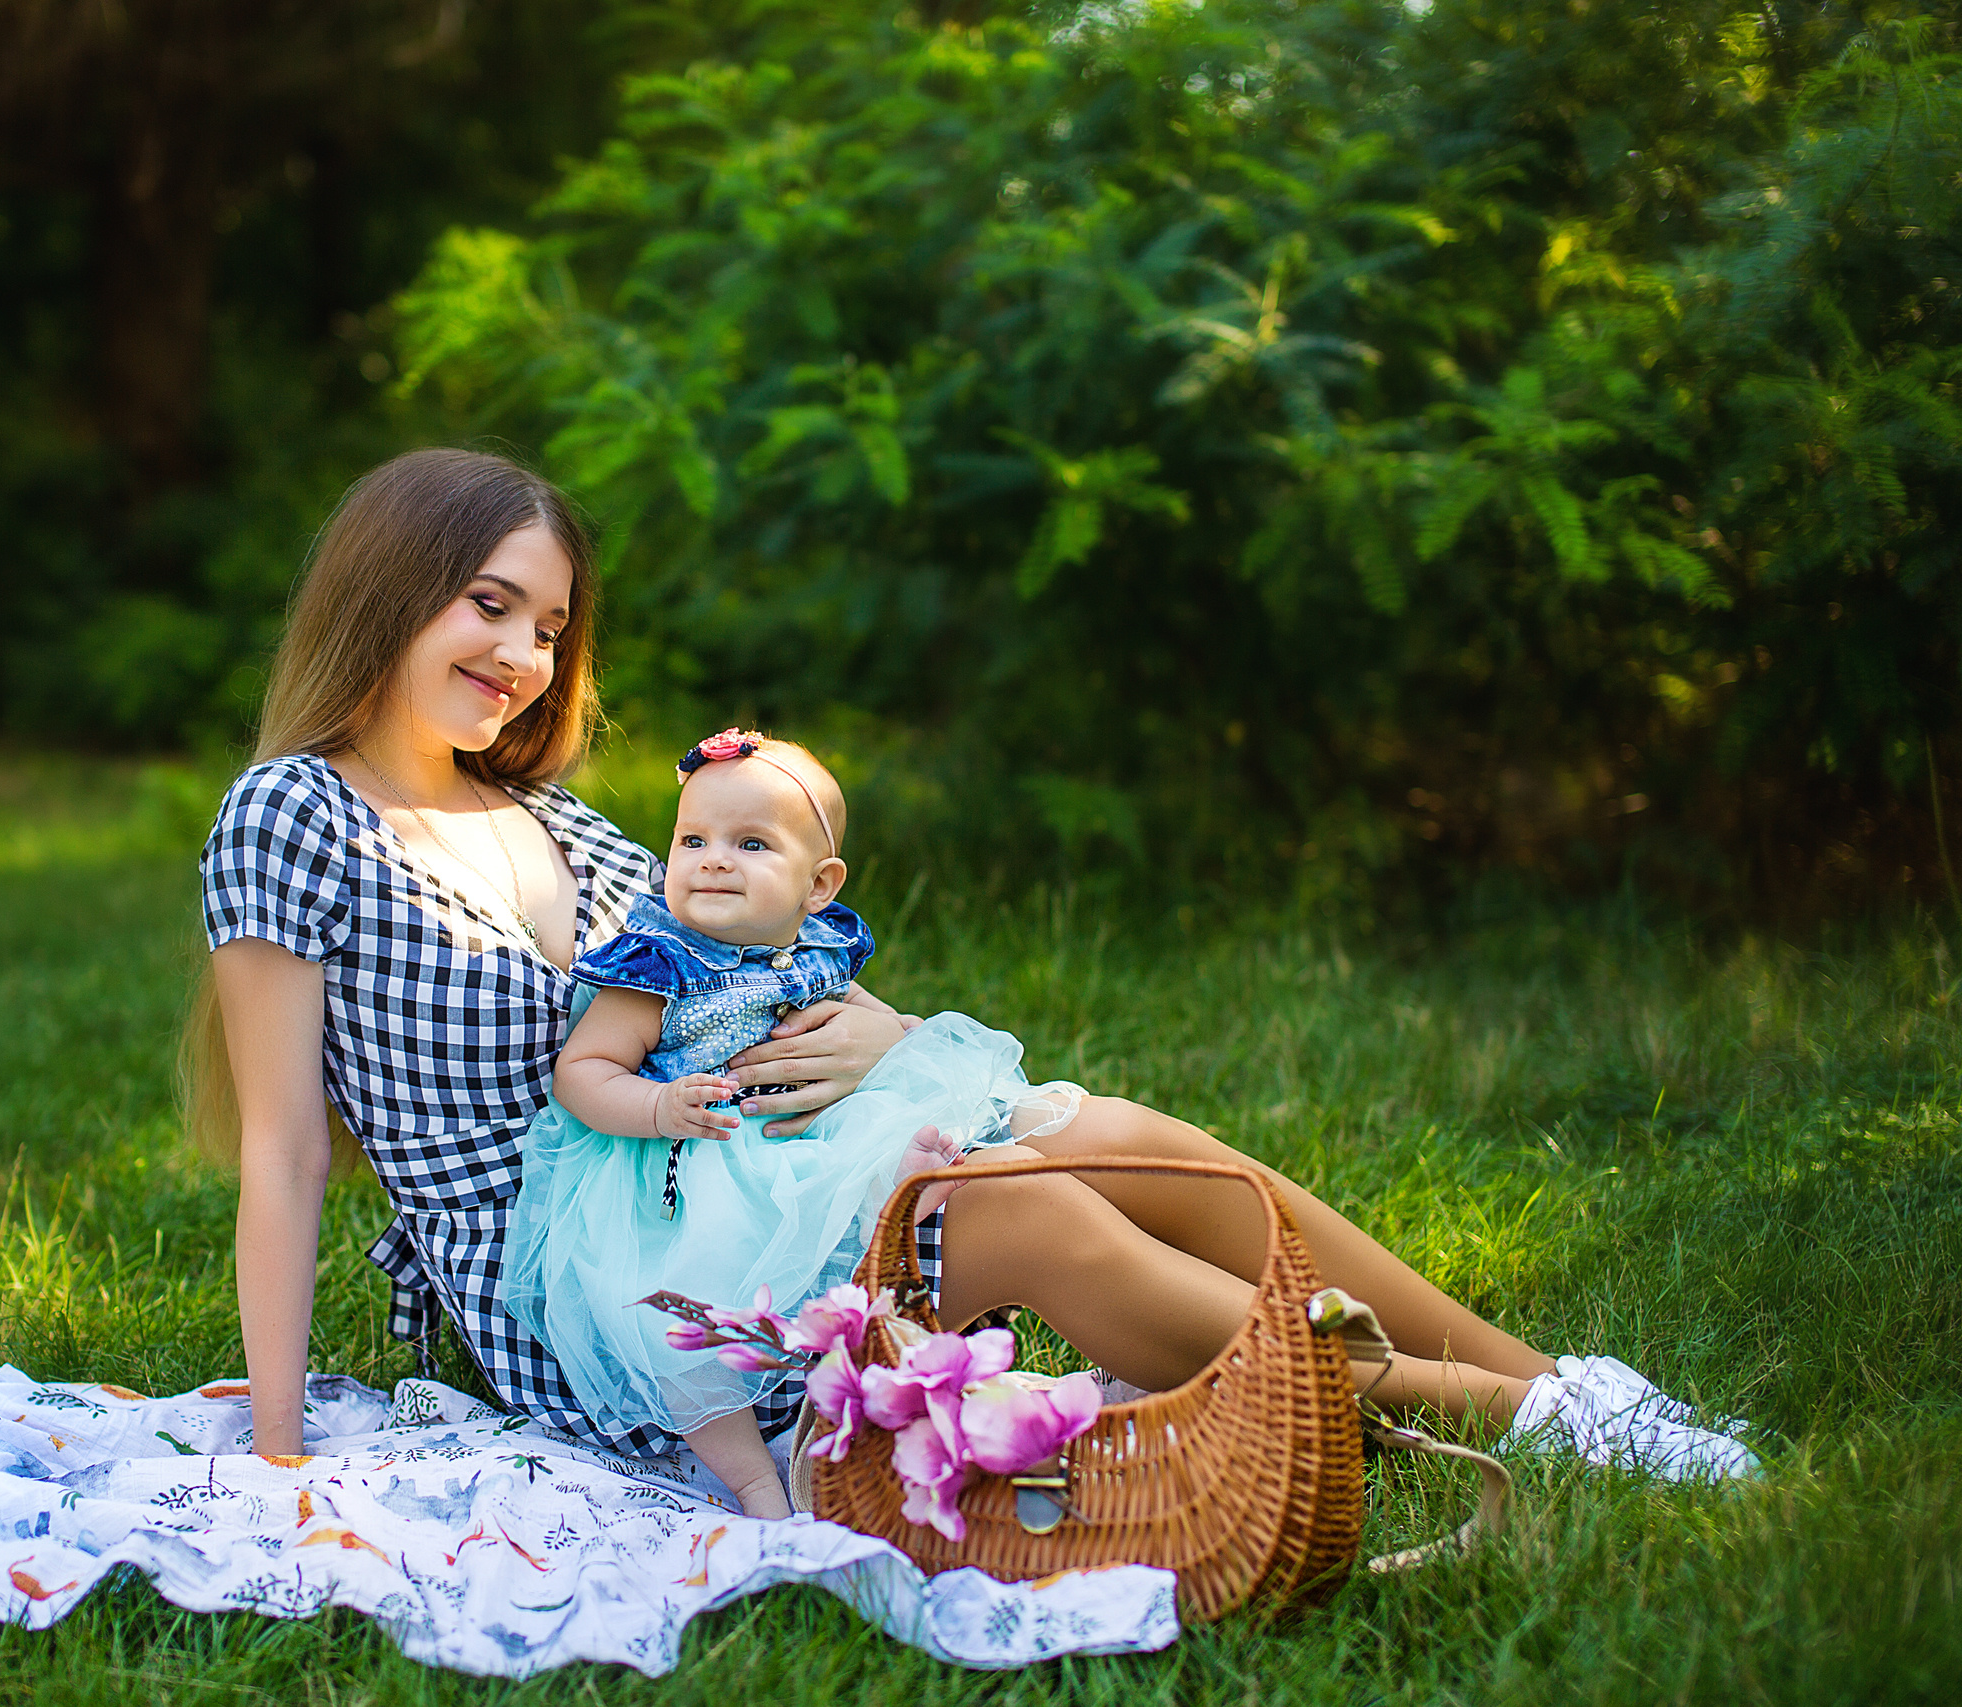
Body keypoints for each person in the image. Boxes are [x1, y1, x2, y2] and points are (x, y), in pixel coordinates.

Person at [187, 446, 1756, 1498]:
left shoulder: (567, 821)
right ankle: (1520, 1427)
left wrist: (872, 1029)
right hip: (582, 1284)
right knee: (1034, 1213)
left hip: (752, 1177)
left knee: (1122, 1129)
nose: (524, 654)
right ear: (388, 591)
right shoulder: (299, 816)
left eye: (547, 622)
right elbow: (285, 1146)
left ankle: (1559, 1378)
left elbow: (748, 977)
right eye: (488, 606)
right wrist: (275, 1454)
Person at [500, 727, 1084, 1516]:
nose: (712, 858)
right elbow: (581, 1072)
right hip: (687, 1171)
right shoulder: (653, 964)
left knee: (889, 1139)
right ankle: (747, 1477)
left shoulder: (819, 949)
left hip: (805, 1138)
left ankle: (899, 1191)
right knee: (679, 1327)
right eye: (692, 838)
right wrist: (658, 1105)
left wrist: (905, 1039)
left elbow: (874, 1021)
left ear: (819, 885)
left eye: (749, 842)